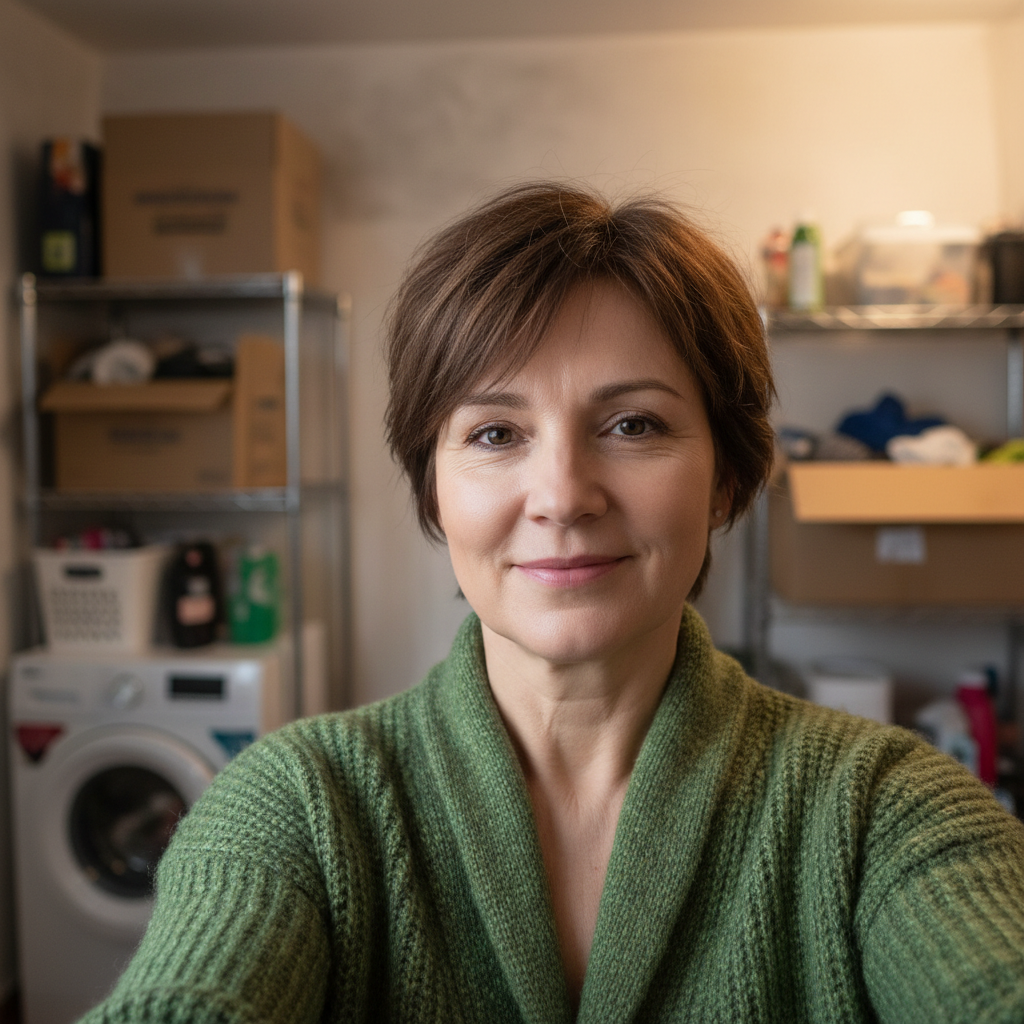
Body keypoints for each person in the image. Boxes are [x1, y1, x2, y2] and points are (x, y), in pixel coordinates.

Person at [81, 182, 1024, 1024]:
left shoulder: (884, 811)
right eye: (496, 433)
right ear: (433, 490)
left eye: (633, 424)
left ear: (729, 478)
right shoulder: (299, 806)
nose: (563, 496)